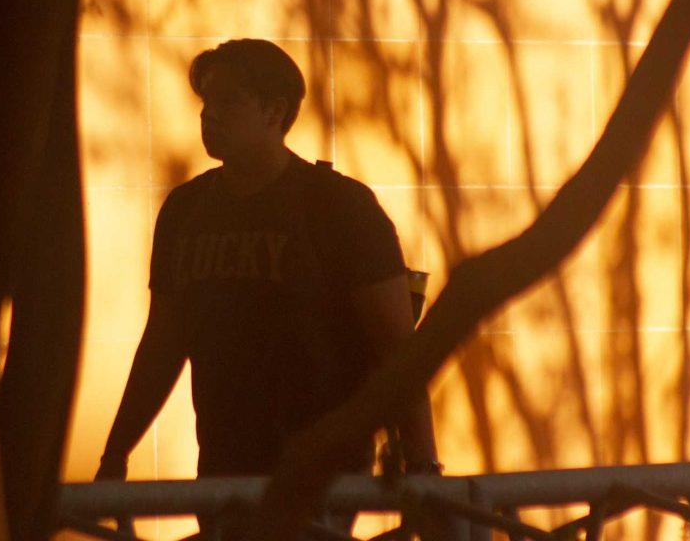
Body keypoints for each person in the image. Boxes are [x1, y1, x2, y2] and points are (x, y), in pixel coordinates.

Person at [97, 39, 438, 488]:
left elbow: (397, 348)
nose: (208, 114)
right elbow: (164, 342)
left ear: (275, 112)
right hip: (223, 470)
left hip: (324, 478)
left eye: (229, 101)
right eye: (206, 101)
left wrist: (423, 469)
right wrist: (116, 454)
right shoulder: (186, 211)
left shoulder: (337, 206)